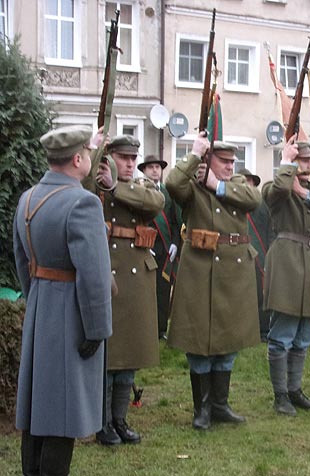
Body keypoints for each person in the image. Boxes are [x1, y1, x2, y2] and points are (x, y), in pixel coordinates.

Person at [13, 125, 113, 475]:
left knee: (36, 409)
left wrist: (37, 301)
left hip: (40, 307)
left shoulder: (26, 200)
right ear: (78, 159)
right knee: (62, 414)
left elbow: (22, 262)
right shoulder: (83, 202)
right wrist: (97, 329)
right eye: (88, 151)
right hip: (72, 313)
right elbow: (95, 276)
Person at [166, 134, 261, 430]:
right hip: (201, 272)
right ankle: (202, 408)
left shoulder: (235, 187)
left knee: (228, 341)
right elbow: (172, 184)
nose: (231, 166)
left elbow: (254, 199)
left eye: (233, 161)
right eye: (224, 161)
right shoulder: (191, 187)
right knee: (199, 342)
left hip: (233, 274)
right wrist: (194, 154)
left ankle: (220, 405)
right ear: (209, 161)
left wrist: (216, 185)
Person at [84, 135, 165, 445]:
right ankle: (102, 423)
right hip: (108, 275)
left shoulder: (143, 187)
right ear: (110, 157)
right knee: (110, 356)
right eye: (123, 158)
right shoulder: (95, 187)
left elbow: (155, 203)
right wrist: (97, 173)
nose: (130, 164)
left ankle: (120, 419)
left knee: (129, 354)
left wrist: (115, 185)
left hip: (137, 278)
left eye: (133, 159)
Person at [263, 136, 310, 415]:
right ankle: (280, 394)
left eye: (309, 159)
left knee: (304, 333)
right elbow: (279, 190)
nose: (309, 164)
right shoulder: (276, 187)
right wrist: (285, 162)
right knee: (283, 332)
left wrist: (303, 192)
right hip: (287, 262)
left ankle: (295, 390)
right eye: (303, 160)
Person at [138, 154, 182, 340]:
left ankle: (161, 328)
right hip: (146, 247)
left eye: (158, 167)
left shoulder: (167, 193)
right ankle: (144, 328)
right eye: (151, 167)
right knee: (145, 291)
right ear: (143, 171)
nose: (155, 170)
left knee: (163, 289)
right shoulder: (138, 190)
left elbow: (174, 221)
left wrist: (174, 243)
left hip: (165, 248)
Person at [237, 167, 275, 342]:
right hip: (239, 255)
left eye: (248, 181)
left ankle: (263, 331)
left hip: (260, 255)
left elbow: (270, 230)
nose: (245, 184)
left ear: (253, 183)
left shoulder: (262, 204)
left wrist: (269, 255)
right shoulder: (234, 203)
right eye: (242, 180)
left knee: (261, 296)